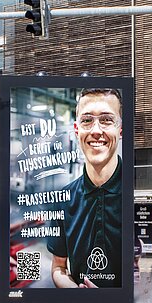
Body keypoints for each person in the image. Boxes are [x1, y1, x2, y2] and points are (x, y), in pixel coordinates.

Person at [49, 88, 123, 289]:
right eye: (87, 120)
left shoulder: (134, 194)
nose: (96, 130)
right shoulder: (63, 199)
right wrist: (74, 291)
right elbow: (58, 267)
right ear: (76, 129)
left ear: (120, 129)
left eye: (107, 120)